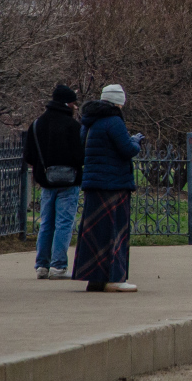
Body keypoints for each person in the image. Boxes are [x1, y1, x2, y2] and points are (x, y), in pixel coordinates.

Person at [73, 85, 143, 293]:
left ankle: (94, 278)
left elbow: (83, 148)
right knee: (116, 231)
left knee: (95, 231)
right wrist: (136, 141)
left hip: (94, 184)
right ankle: (115, 278)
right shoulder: (114, 121)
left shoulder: (89, 122)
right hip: (114, 184)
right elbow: (127, 150)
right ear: (118, 102)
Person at [24, 84, 85, 279]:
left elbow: (29, 154)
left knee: (46, 222)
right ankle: (58, 266)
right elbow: (81, 155)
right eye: (74, 104)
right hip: (69, 180)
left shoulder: (37, 124)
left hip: (46, 181)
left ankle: (42, 265)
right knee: (64, 223)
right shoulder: (73, 126)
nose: (75, 107)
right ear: (67, 103)